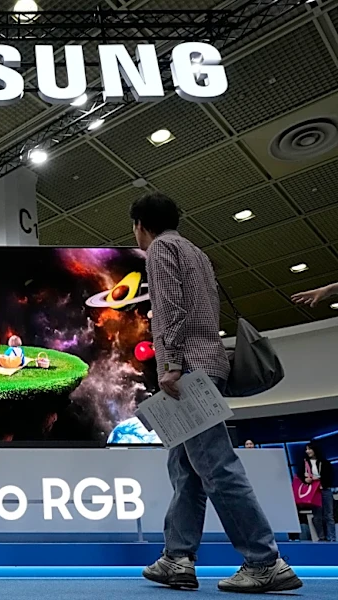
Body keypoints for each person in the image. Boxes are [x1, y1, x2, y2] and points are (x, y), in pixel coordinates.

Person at [130, 193, 302, 594]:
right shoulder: (196, 252)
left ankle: (265, 562)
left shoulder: (161, 250)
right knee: (185, 468)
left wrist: (171, 363)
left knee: (216, 466)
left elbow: (171, 309)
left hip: (187, 370)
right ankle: (177, 558)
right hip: (209, 364)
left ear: (140, 224)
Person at [299, 444, 335, 542]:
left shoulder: (325, 463)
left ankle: (332, 538)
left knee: (329, 515)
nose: (307, 451)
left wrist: (318, 478)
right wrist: (306, 479)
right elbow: (300, 476)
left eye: (309, 449)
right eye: (306, 449)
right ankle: (321, 538)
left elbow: (329, 476)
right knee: (317, 516)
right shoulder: (305, 463)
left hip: (325, 490)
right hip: (314, 492)